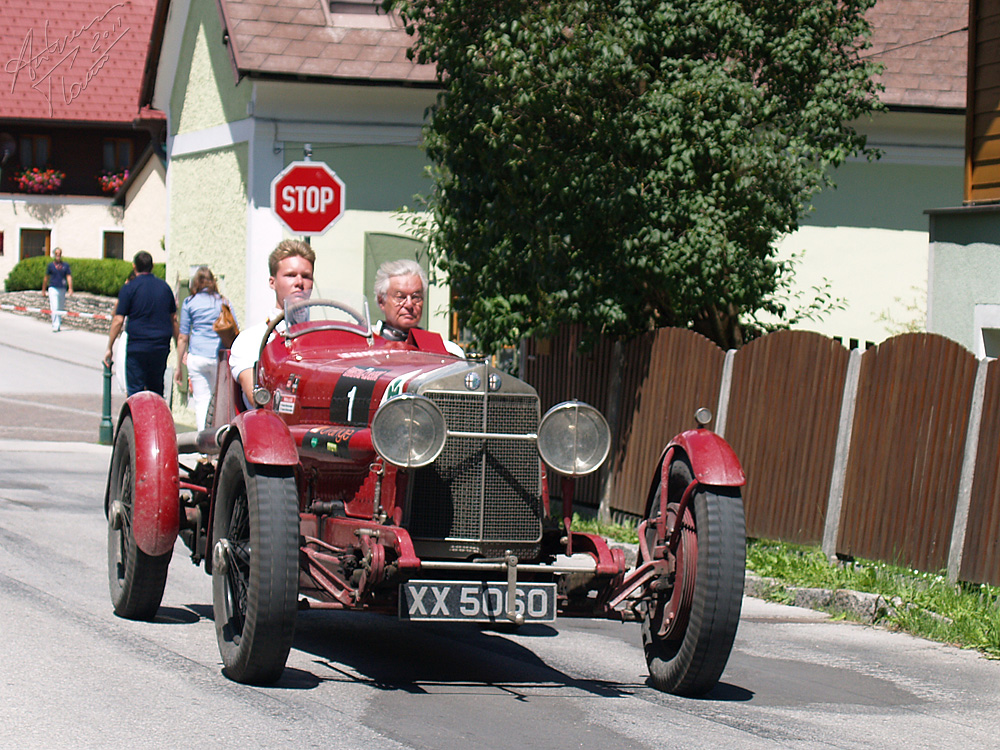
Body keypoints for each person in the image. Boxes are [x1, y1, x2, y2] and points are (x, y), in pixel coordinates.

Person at [229, 239, 315, 405]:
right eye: (290, 275)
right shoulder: (250, 340)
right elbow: (258, 401)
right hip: (271, 427)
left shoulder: (322, 338)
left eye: (306, 276)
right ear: (272, 282)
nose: (299, 283)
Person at [103, 251, 178, 397]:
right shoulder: (164, 288)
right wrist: (179, 344)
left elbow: (118, 320)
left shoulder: (129, 288)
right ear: (152, 266)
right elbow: (173, 319)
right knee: (156, 389)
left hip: (137, 347)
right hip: (160, 346)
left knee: (135, 392)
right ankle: (155, 418)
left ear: (134, 266)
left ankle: (138, 419)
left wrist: (109, 347)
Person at [174, 266, 234, 431]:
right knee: (219, 401)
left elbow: (183, 336)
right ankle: (218, 444)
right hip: (218, 357)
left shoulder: (189, 303)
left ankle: (203, 447)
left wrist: (178, 366)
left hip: (197, 356)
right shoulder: (223, 302)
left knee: (201, 401)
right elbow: (233, 328)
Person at [374, 258, 463, 356]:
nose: (409, 304)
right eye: (400, 297)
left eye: (416, 297)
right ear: (381, 301)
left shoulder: (448, 351)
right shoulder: (368, 344)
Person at [42, 247, 72, 332]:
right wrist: (43, 290)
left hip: (62, 288)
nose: (58, 256)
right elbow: (46, 277)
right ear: (54, 255)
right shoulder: (51, 266)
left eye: (59, 254)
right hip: (53, 288)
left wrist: (70, 288)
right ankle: (55, 324)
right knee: (54, 306)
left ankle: (58, 322)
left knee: (60, 307)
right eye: (56, 254)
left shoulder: (65, 265)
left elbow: (68, 276)